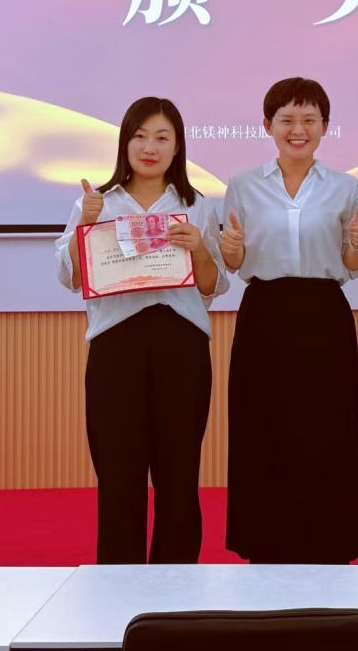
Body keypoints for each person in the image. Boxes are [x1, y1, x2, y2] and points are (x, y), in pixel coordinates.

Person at [54, 96, 229, 564]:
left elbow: (212, 286)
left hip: (182, 345)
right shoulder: (97, 203)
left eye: (162, 138)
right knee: (118, 474)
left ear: (178, 147)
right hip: (116, 345)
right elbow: (71, 278)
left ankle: (176, 583)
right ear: (124, 143)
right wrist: (85, 226)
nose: (150, 147)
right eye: (140, 136)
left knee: (179, 473)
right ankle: (118, 583)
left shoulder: (196, 206)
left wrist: (200, 249)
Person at [221, 77, 358, 564]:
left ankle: (331, 543)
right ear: (268, 125)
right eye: (287, 119)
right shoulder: (243, 186)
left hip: (323, 315)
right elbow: (234, 263)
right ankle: (265, 544)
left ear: (325, 126)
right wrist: (231, 249)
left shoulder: (345, 188)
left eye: (309, 119)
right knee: (263, 427)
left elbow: (353, 264)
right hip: (264, 315)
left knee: (327, 429)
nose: (298, 129)